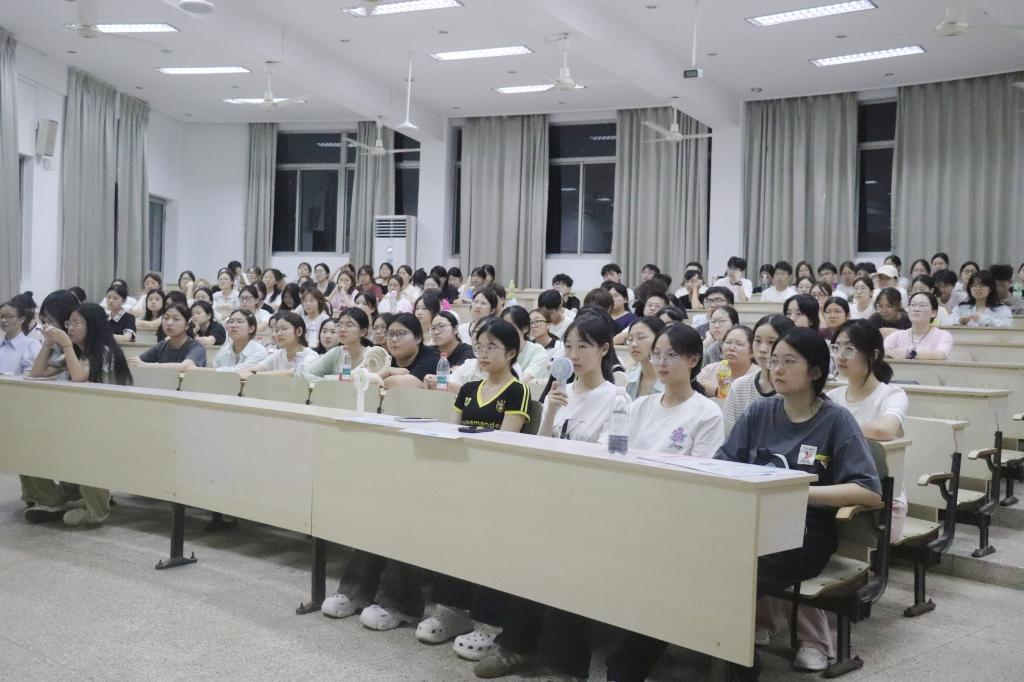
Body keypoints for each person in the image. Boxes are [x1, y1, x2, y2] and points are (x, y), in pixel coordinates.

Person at [604, 327, 881, 680]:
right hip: (746, 520)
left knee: (728, 574)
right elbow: (720, 467)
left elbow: (868, 491)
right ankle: (643, 667)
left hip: (803, 531)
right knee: (678, 563)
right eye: (774, 360)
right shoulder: (760, 413)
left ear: (814, 371)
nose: (777, 369)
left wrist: (797, 491)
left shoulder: (836, 420)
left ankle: (731, 664)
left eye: (789, 362)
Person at [471, 315, 619, 681]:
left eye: (583, 346)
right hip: (549, 493)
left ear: (604, 349)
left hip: (587, 500)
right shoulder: (559, 391)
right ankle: (517, 647)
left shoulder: (616, 397)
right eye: (568, 346)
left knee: (569, 568)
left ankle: (563, 666)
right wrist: (551, 410)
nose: (574, 355)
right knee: (525, 556)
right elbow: (539, 447)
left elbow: (610, 458)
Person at [22, 303, 132, 527]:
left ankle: (96, 509)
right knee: (27, 445)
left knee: (86, 449)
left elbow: (79, 377)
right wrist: (48, 343)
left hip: (106, 424)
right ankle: (51, 499)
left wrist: (65, 344)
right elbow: (38, 372)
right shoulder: (75, 352)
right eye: (68, 323)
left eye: (76, 323)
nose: (70, 328)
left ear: (92, 326)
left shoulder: (105, 352)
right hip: (76, 420)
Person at [829, 320, 909, 542]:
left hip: (884, 500)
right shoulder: (833, 397)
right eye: (836, 348)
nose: (840, 356)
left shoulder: (892, 394)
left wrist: (836, 430)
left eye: (849, 349)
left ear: (873, 354)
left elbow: (884, 430)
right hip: (839, 486)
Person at [721, 315, 795, 435]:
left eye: (771, 342)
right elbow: (729, 437)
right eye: (757, 341)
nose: (762, 349)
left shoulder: (797, 389)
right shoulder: (739, 386)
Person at [302, 308, 376, 380]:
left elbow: (362, 379)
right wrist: (331, 379)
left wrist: (329, 379)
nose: (342, 329)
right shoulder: (336, 352)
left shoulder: (373, 355)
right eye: (339, 325)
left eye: (349, 325)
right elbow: (305, 374)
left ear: (363, 332)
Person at [129, 303, 207, 370]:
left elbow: (185, 367)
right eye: (166, 318)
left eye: (176, 319)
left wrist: (144, 365)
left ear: (187, 325)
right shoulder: (162, 346)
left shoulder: (197, 347)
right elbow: (136, 361)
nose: (169, 323)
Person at [377, 312, 441, 389]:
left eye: (401, 333)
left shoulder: (433, 357)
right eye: (390, 334)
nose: (394, 339)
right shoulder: (385, 358)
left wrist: (385, 373)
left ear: (418, 338)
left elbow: (403, 384)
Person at [884, 292, 954, 360]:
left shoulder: (942, 335)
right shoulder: (897, 335)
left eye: (922, 305)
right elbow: (883, 350)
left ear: (933, 313)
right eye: (913, 305)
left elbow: (941, 354)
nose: (916, 309)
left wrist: (909, 354)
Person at [247, 313, 318, 375]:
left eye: (284, 329)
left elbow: (294, 373)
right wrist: (241, 374)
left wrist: (257, 375)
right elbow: (254, 369)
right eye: (276, 330)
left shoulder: (312, 356)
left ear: (299, 331)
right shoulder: (279, 354)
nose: (278, 334)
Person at [698, 324, 757, 399]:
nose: (731, 348)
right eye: (728, 342)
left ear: (752, 351)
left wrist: (717, 391)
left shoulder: (758, 376)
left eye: (739, 344)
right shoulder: (709, 370)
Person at [500, 305, 550, 385]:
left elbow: (521, 381)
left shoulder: (537, 351)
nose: (505, 332)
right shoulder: (499, 350)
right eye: (502, 327)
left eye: (510, 327)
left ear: (525, 328)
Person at [624, 316, 666, 400]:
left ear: (660, 339)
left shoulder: (673, 381)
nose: (634, 344)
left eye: (641, 337)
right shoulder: (627, 378)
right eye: (630, 339)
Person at [0, 297, 41, 375]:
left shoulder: (31, 345)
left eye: (9, 316)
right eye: (1, 316)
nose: (3, 320)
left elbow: (29, 376)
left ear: (22, 319)